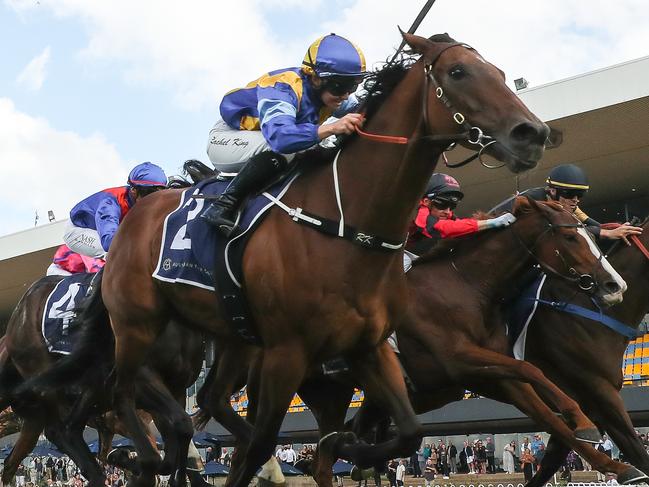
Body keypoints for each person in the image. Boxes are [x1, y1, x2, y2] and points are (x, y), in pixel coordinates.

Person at [201, 33, 367, 235]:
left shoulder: (333, 96)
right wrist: (332, 127)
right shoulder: (284, 86)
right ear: (315, 78)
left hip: (262, 138)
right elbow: (281, 138)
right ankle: (223, 205)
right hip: (227, 138)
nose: (346, 94)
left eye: (352, 85)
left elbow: (361, 109)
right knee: (292, 148)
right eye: (340, 86)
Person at [490, 164, 642, 242]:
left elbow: (590, 223)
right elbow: (561, 230)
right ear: (552, 191)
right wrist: (607, 234)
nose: (575, 199)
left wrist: (618, 228)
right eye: (569, 194)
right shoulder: (534, 201)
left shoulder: (565, 203)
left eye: (580, 194)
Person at [404, 173, 516, 269]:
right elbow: (444, 228)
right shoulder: (419, 210)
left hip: (399, 250)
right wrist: (492, 223)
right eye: (443, 204)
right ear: (426, 201)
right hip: (388, 250)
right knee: (407, 263)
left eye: (451, 206)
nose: (447, 211)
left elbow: (460, 225)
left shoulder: (442, 213)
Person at [65, 162, 167, 259]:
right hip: (78, 231)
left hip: (106, 230)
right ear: (133, 190)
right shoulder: (110, 204)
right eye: (148, 195)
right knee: (116, 251)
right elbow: (109, 242)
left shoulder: (139, 200)